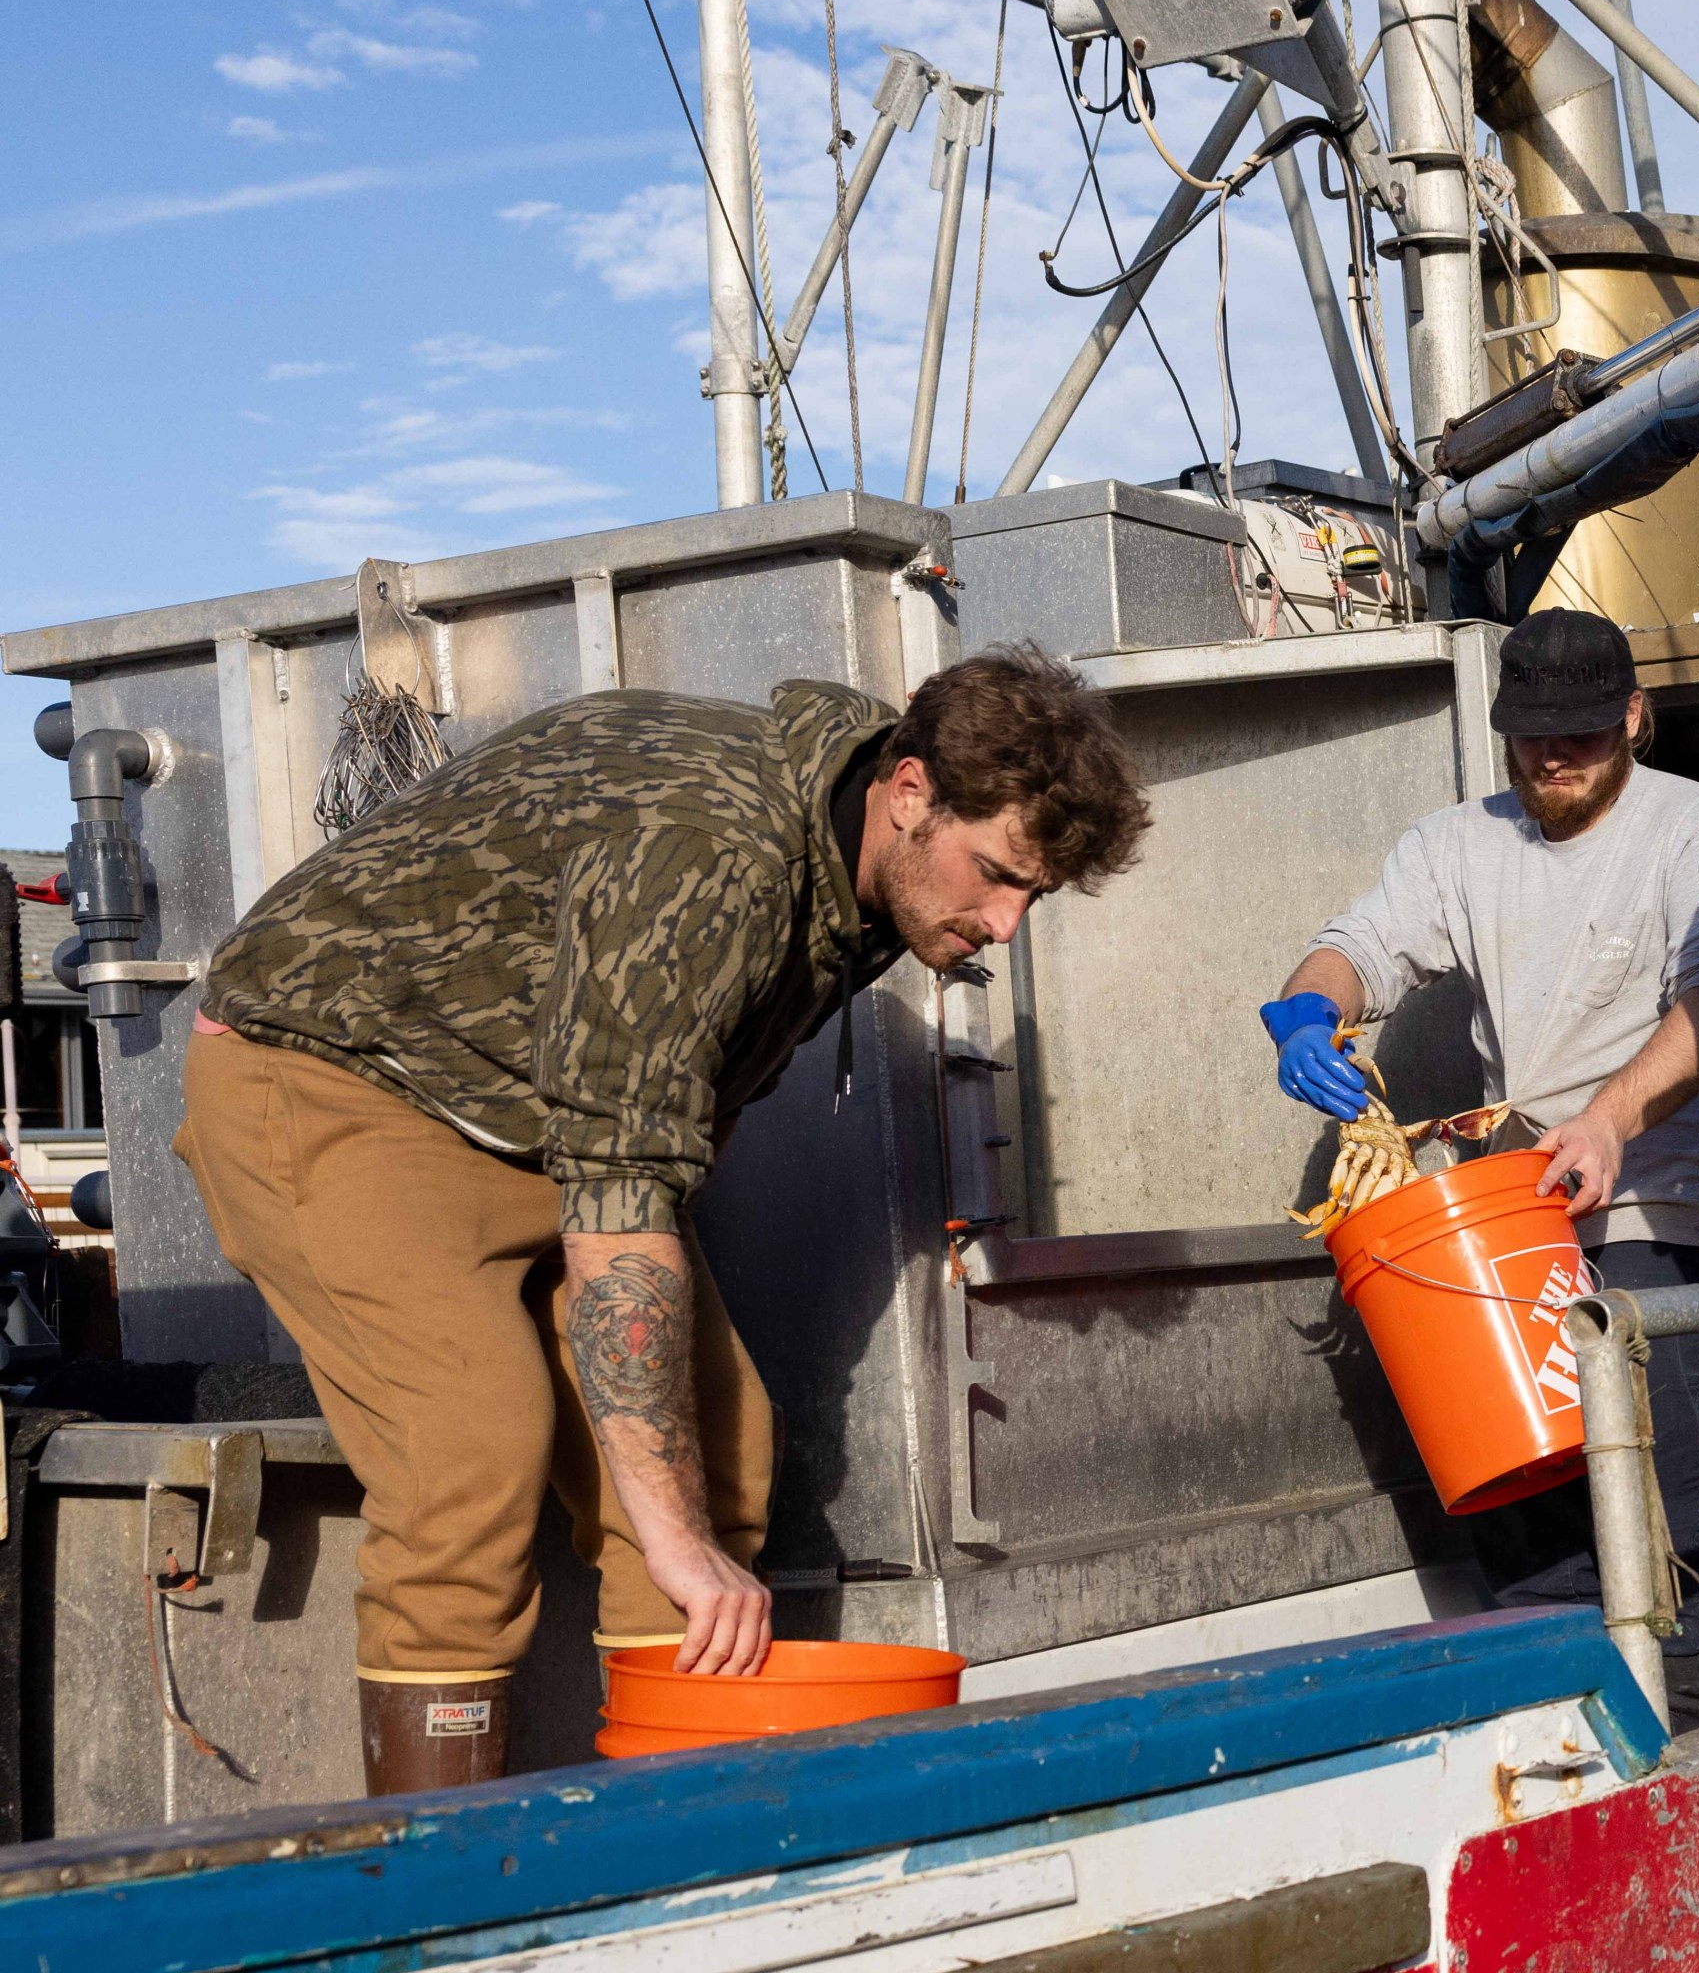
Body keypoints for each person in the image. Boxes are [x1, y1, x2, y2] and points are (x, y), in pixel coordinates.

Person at [178, 649, 1149, 1793]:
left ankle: (660, 1847)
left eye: (1032, 894)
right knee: (470, 1452)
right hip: (333, 1079)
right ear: (909, 791)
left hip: (532, 1121)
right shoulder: (715, 850)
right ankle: (434, 1900)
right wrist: (670, 1531)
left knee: (723, 1453)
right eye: (997, 877)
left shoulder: (879, 874)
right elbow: (621, 1206)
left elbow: (675, 1113)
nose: (1005, 922)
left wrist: (676, 1513)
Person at [1262, 609, 1699, 1729]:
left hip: (1656, 1212)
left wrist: (1609, 1118)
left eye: (1582, 734)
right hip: (1513, 1225)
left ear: (1634, 715)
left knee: (1659, 1513)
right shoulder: (1458, 843)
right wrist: (1310, 1012)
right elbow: (1363, 944)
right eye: (1532, 735)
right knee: (1524, 1510)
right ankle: (1560, 1738)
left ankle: (1689, 1728)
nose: (1553, 757)